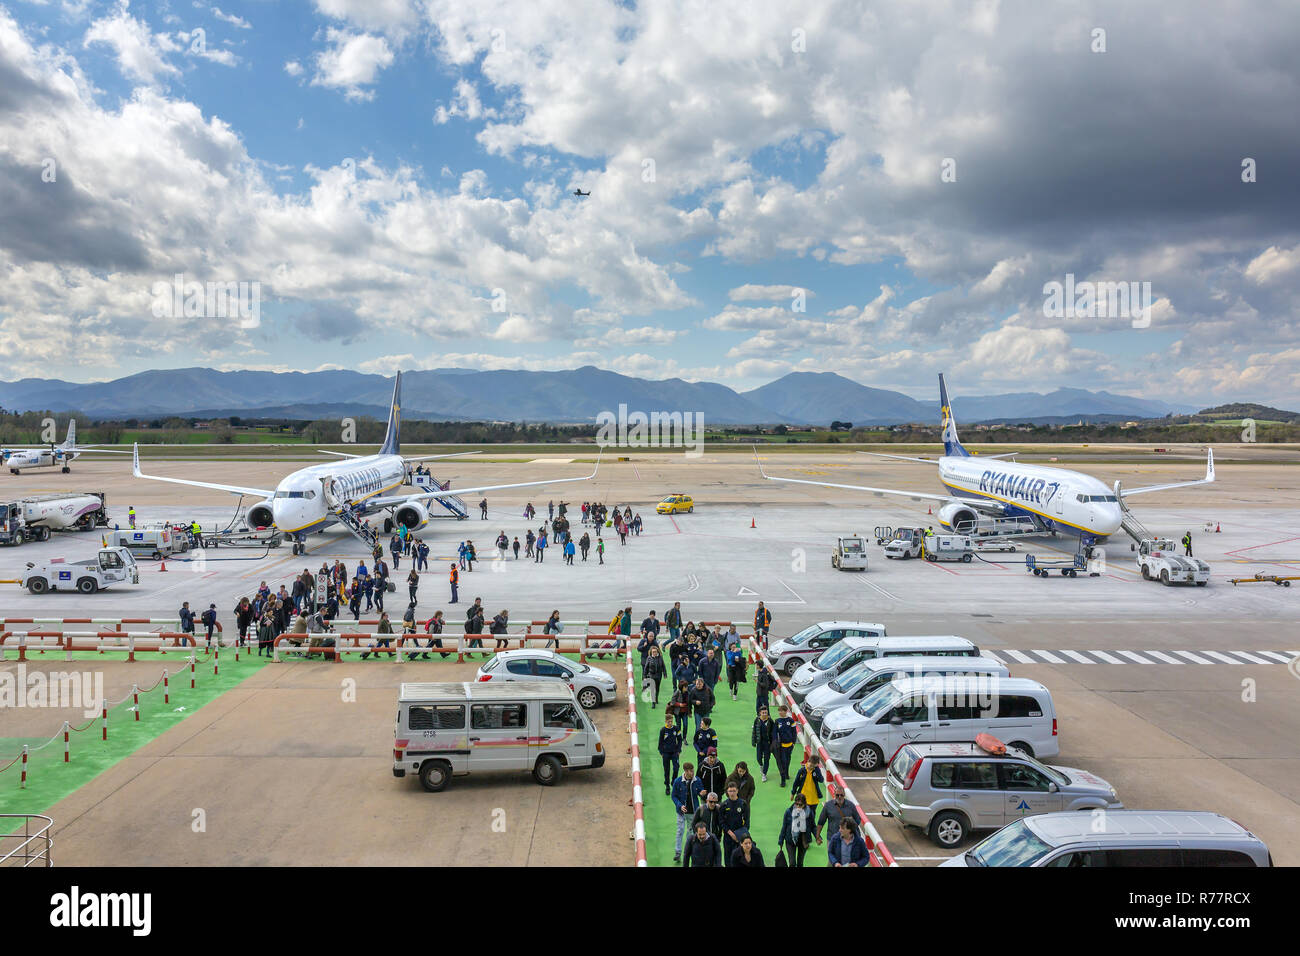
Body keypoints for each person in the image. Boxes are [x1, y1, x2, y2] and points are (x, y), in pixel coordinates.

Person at [670, 763, 704, 861]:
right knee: (680, 830)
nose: (693, 773)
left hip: (693, 812)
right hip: (681, 812)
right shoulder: (677, 781)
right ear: (686, 771)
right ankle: (678, 852)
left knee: (691, 832)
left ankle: (689, 851)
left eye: (693, 770)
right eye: (691, 771)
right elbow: (674, 796)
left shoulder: (697, 780)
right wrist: (680, 806)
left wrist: (701, 793)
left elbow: (700, 791)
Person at [778, 793, 817, 867]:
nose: (798, 807)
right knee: (792, 863)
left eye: (800, 805)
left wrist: (817, 837)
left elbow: (813, 826)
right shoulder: (788, 812)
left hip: (803, 841)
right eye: (796, 804)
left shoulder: (809, 813)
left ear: (805, 804)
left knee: (800, 863)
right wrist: (781, 840)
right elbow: (784, 827)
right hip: (790, 840)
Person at [719, 783, 750, 866]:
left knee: (741, 859)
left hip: (740, 838)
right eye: (730, 791)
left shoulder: (743, 804)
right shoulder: (724, 805)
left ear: (737, 791)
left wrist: (742, 836)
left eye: (733, 791)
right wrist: (730, 833)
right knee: (728, 859)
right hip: (728, 837)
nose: (732, 793)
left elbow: (747, 821)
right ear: (727, 792)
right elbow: (721, 822)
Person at [773, 704, 798, 786]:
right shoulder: (777, 721)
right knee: (783, 762)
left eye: (782, 711)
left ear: (786, 711)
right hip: (781, 746)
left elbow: (794, 732)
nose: (780, 712)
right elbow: (774, 733)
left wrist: (793, 743)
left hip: (790, 745)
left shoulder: (791, 721)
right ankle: (783, 779)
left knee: (788, 760)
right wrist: (776, 741)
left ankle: (786, 773)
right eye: (779, 711)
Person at [657, 715, 682, 795]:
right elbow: (660, 742)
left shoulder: (676, 729)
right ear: (665, 721)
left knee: (676, 767)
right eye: (668, 722)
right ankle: (667, 786)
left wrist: (678, 750)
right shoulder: (663, 730)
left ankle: (673, 781)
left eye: (671, 721)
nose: (670, 723)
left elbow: (680, 740)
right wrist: (661, 752)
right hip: (666, 753)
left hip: (675, 752)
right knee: (666, 770)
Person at [752, 705, 775, 782]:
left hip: (767, 743)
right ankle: (761, 765)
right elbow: (754, 732)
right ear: (760, 713)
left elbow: (773, 733)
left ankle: (764, 774)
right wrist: (753, 741)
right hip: (759, 742)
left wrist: (773, 743)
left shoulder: (770, 721)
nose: (765, 714)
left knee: (767, 759)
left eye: (766, 712)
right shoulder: (757, 720)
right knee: (759, 758)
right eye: (763, 713)